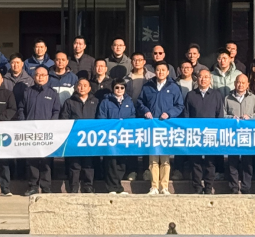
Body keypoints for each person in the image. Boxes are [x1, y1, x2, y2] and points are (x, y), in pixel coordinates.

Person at [137, 62, 184, 195]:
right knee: (153, 159)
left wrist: (169, 113)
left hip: (166, 127)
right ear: (155, 72)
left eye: (163, 70)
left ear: (168, 72)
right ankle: (154, 187)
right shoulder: (147, 86)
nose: (161, 72)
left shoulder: (174, 87)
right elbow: (140, 102)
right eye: (158, 70)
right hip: (152, 127)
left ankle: (164, 187)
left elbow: (179, 105)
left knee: (165, 159)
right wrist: (146, 111)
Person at [19, 66, 62, 195]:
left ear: (47, 77)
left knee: (46, 160)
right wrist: (23, 123)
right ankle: (33, 186)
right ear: (34, 77)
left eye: (43, 75)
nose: (40, 77)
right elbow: (21, 109)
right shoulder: (27, 92)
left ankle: (46, 186)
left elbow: (56, 111)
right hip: (30, 131)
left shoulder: (53, 93)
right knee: (32, 160)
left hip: (46, 132)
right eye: (38, 75)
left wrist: (51, 124)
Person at [183, 69, 224, 195]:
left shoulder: (216, 95)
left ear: (210, 79)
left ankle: (208, 186)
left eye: (206, 77)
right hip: (195, 133)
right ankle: (197, 187)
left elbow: (220, 115)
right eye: (201, 77)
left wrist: (218, 132)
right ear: (197, 79)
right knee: (195, 161)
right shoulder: (191, 95)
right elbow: (186, 115)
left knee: (210, 161)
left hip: (211, 133)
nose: (203, 79)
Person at [96, 78, 137, 194]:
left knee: (121, 163)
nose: (119, 90)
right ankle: (112, 188)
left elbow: (132, 116)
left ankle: (118, 185)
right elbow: (101, 117)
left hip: (124, 136)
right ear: (113, 88)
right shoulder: (105, 102)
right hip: (110, 136)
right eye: (117, 87)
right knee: (111, 162)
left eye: (122, 87)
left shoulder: (129, 101)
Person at [222, 74, 255, 194]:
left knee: (247, 161)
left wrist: (250, 117)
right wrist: (231, 118)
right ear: (234, 83)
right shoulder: (227, 98)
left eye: (243, 83)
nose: (241, 85)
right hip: (232, 134)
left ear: (248, 84)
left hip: (247, 134)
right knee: (232, 161)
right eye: (238, 82)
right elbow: (223, 114)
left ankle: (246, 187)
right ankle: (233, 187)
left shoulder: (253, 98)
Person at [60, 78, 99, 193]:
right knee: (74, 164)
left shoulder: (95, 101)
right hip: (74, 138)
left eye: (85, 85)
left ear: (89, 88)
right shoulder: (69, 102)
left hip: (90, 138)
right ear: (76, 87)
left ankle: (88, 186)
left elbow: (99, 119)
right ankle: (73, 187)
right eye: (80, 85)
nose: (82, 87)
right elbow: (64, 118)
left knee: (88, 163)